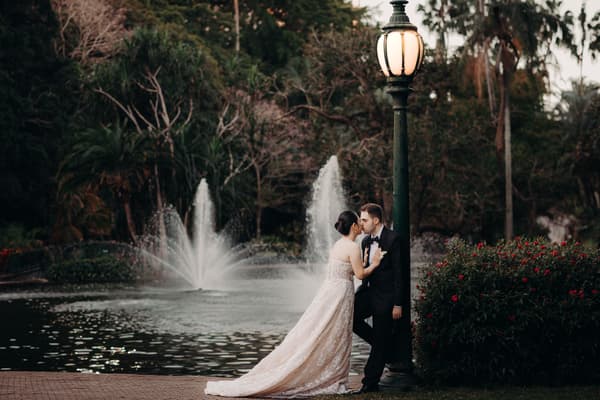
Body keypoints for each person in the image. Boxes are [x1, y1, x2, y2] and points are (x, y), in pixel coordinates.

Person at [205, 210, 383, 398]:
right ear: (354, 226)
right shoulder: (352, 247)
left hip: (330, 292)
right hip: (340, 295)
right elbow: (360, 274)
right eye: (359, 222)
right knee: (337, 334)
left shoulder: (338, 244)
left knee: (322, 331)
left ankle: (330, 374)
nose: (362, 225)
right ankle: (334, 378)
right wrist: (375, 263)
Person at [353, 203, 402, 394]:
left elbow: (399, 275)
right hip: (368, 293)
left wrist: (398, 303)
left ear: (376, 220)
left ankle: (369, 383)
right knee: (351, 318)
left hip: (387, 298)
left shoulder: (393, 239)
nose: (361, 223)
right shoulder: (365, 241)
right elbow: (365, 270)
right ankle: (385, 347)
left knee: (381, 339)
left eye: (364, 220)